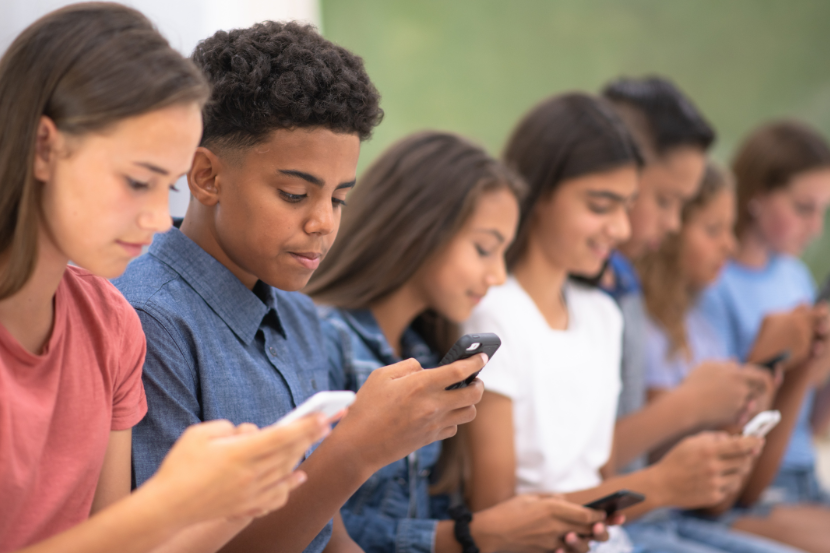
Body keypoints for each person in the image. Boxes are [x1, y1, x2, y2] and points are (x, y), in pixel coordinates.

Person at [113, 22, 485, 553]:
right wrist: (357, 449)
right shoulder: (145, 321)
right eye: (294, 194)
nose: (323, 223)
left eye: (338, 199)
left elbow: (328, 538)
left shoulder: (300, 317)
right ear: (206, 177)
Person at [0, 4, 329, 553]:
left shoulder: (109, 327)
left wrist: (240, 496)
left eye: (166, 188)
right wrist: (170, 503)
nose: (158, 219)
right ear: (44, 147)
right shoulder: (145, 313)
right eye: (136, 181)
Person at [463, 93, 798, 553]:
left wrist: (690, 478)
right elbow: (495, 517)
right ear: (538, 193)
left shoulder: (602, 314)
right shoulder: (495, 315)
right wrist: (662, 484)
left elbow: (598, 482)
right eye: (600, 207)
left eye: (626, 206)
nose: (620, 229)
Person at [306, 130, 620, 553]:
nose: (496, 276)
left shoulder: (427, 352)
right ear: (420, 228)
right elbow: (314, 528)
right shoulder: (324, 339)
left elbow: (426, 508)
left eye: (503, 254)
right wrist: (466, 537)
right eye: (484, 249)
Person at [640, 162, 830, 553]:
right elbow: (717, 497)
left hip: (748, 493)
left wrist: (800, 363)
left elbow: (736, 480)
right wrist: (767, 361)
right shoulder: (648, 328)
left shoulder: (699, 328)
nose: (729, 244)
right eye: (713, 230)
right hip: (673, 515)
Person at [599, 77, 772, 474]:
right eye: (665, 200)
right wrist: (691, 404)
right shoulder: (590, 294)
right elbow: (592, 469)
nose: (674, 224)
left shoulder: (622, 284)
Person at [695, 122, 830, 552]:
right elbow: (727, 410)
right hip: (756, 487)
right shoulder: (715, 283)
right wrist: (796, 364)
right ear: (757, 195)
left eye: (823, 211)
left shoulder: (795, 276)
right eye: (803, 208)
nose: (815, 227)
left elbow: (811, 405)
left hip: (806, 470)